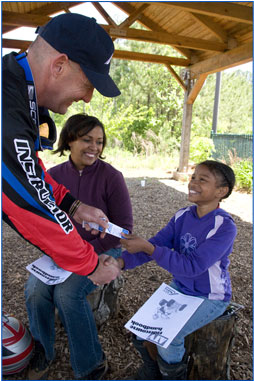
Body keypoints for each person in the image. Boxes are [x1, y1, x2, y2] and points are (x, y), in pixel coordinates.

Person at [2, 13, 122, 290]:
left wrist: (73, 206)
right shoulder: (6, 108)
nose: (88, 98)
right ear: (59, 66)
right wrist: (90, 265)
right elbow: (28, 202)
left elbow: (29, 171)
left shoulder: (16, 89)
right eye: (88, 84)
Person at [25, 113, 133, 380]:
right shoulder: (51, 176)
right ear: (69, 140)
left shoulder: (112, 177)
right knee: (35, 291)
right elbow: (43, 222)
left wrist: (87, 255)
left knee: (67, 295)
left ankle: (91, 364)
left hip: (103, 250)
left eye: (99, 141)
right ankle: (43, 352)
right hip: (60, 253)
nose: (94, 147)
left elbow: (123, 228)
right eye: (87, 140)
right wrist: (60, 252)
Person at [118, 160, 237, 380]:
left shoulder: (224, 226)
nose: (193, 182)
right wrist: (121, 263)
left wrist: (149, 247)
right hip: (181, 289)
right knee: (140, 330)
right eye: (193, 177)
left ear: (221, 191)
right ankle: (152, 373)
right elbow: (158, 243)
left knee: (168, 338)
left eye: (203, 179)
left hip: (209, 297)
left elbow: (192, 266)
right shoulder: (183, 215)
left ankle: (173, 376)